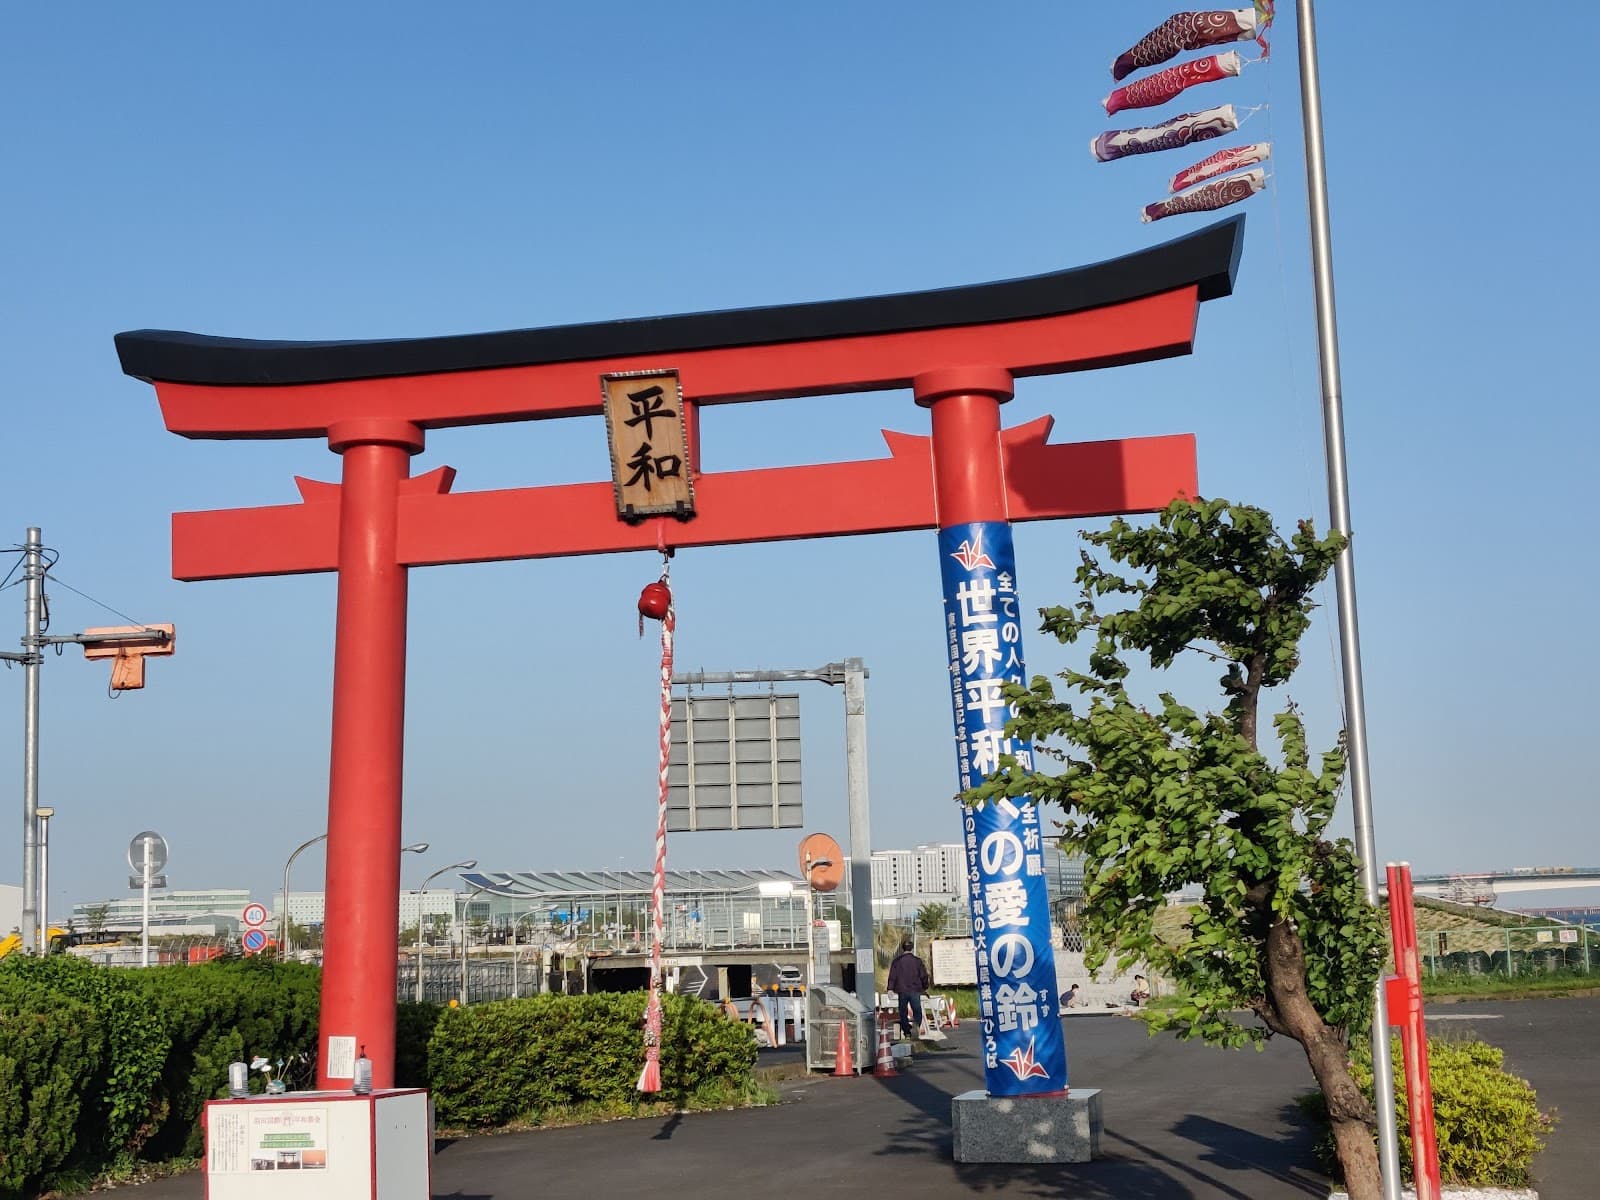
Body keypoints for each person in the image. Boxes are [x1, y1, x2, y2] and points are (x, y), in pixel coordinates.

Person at [887, 936, 931, 1040]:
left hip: (902, 990)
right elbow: (923, 975)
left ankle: (907, 1032)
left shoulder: (897, 962)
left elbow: (892, 976)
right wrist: (925, 986)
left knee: (903, 1011)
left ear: (902, 948)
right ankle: (916, 1027)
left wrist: (890, 988)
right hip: (915, 990)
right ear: (911, 948)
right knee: (917, 1010)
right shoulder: (917, 961)